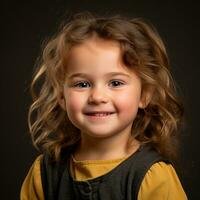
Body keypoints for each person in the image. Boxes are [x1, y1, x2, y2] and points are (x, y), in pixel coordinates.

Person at [20, 12, 188, 199]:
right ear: (61, 96)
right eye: (82, 84)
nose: (98, 97)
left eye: (115, 83)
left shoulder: (154, 177)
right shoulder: (43, 174)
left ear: (145, 95)